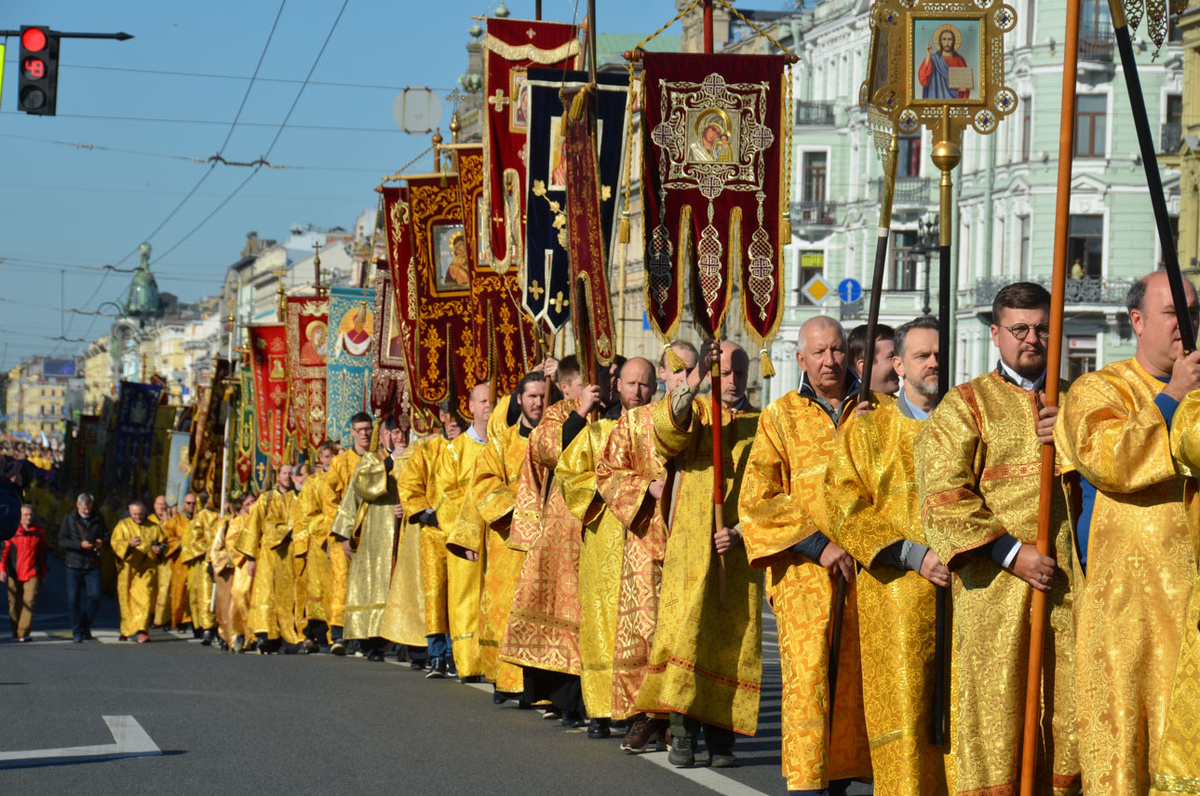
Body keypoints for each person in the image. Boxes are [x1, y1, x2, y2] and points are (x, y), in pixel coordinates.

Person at [916, 282, 1080, 794]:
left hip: (1072, 586)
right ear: (995, 334)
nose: (1032, 339)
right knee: (996, 709)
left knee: (1071, 706)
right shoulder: (966, 404)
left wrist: (1075, 437)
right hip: (996, 589)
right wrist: (1012, 552)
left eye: (1042, 329)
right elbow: (942, 492)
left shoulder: (1079, 400)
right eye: (1020, 329)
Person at [1056, 272, 1200, 793]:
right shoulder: (1101, 388)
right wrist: (1173, 397)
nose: (1187, 326)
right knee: (1125, 750)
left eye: (1192, 312)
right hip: (1126, 612)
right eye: (1172, 313)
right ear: (1137, 321)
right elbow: (1110, 459)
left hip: (1191, 607)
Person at [739, 317, 871, 793]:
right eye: (818, 353)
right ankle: (810, 786)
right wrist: (819, 544)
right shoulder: (781, 416)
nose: (829, 361)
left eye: (836, 350)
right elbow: (758, 497)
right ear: (800, 359)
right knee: (809, 688)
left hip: (870, 576)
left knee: (860, 688)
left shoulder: (874, 410)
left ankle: (845, 779)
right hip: (805, 581)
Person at [826, 315, 953, 794]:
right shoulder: (868, 430)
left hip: (968, 595)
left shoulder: (968, 421)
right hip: (897, 597)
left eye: (939, 354)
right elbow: (842, 503)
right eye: (922, 355)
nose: (933, 363)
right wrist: (910, 554)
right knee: (905, 724)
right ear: (898, 364)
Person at [637, 340, 761, 768]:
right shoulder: (698, 412)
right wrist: (694, 379)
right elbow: (667, 429)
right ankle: (684, 732)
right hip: (691, 545)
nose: (732, 382)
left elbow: (776, 490)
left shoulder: (762, 423)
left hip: (737, 551)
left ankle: (722, 740)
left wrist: (743, 532)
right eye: (724, 373)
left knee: (729, 642)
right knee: (686, 633)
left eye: (739, 374)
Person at [596, 340, 698, 752]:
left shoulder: (703, 418)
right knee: (646, 630)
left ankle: (681, 717)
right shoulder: (633, 423)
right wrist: (647, 487)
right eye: (675, 370)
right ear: (664, 373)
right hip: (646, 537)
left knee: (686, 630)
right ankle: (647, 714)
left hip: (692, 541)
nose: (681, 379)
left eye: (689, 371)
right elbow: (607, 473)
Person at [502, 355, 607, 726]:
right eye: (586, 383)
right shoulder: (557, 414)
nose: (596, 389)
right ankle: (568, 701)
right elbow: (547, 450)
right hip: (564, 530)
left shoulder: (611, 413)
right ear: (566, 387)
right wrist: (581, 412)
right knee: (566, 616)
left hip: (605, 524)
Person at [559, 357, 657, 738]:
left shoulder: (662, 433)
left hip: (647, 539)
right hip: (604, 540)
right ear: (618, 387)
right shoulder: (597, 431)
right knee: (600, 624)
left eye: (645, 384)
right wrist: (610, 490)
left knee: (642, 627)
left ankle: (640, 712)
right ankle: (599, 710)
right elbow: (570, 475)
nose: (637, 392)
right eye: (631, 384)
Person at [448, 372, 546, 698]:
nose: (537, 402)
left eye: (543, 396)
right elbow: (484, 484)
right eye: (531, 396)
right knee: (504, 608)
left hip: (547, 539)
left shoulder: (557, 437)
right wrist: (519, 510)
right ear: (519, 400)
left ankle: (539, 683)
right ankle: (508, 680)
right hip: (508, 540)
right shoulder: (502, 441)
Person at [331, 417, 408, 661]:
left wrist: (407, 506)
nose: (397, 437)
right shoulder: (372, 459)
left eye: (401, 432)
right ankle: (372, 640)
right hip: (376, 532)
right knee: (375, 585)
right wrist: (345, 534)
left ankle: (401, 640)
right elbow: (363, 487)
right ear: (383, 435)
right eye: (392, 432)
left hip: (404, 528)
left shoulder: (413, 456)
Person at [430, 383, 493, 678]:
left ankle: (495, 661)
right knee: (466, 596)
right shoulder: (454, 451)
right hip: (466, 536)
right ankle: (468, 662)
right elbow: (444, 495)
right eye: (482, 401)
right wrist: (468, 529)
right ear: (470, 407)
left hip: (497, 533)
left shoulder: (501, 444)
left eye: (492, 400)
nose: (488, 406)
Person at [398, 401, 463, 674]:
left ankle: (458, 654)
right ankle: (437, 653)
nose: (453, 423)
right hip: (435, 534)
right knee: (436, 593)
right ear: (442, 417)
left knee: (461, 593)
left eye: (460, 418)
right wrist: (425, 513)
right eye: (449, 417)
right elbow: (409, 483)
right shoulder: (427, 449)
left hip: (464, 532)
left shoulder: (473, 448)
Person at [321, 412, 374, 654]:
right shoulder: (340, 463)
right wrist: (343, 532)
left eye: (368, 429)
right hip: (344, 532)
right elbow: (328, 498)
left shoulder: (377, 459)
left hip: (371, 532)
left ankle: (362, 636)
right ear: (352, 432)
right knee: (342, 581)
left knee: (365, 584)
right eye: (360, 429)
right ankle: (339, 633)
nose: (364, 433)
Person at [238, 465, 301, 654]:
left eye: (291, 473)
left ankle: (287, 636)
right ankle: (265, 636)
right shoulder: (266, 498)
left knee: (288, 595)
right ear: (277, 475)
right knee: (265, 594)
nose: (288, 476)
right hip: (267, 554)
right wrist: (251, 558)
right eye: (284, 473)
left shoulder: (298, 498)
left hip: (290, 554)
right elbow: (254, 527)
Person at [110, 500, 167, 644]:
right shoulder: (123, 526)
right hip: (128, 569)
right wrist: (128, 546)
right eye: (134, 514)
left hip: (146, 569)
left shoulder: (154, 528)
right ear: (130, 513)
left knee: (145, 598)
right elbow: (115, 543)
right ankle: (127, 629)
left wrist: (158, 550)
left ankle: (142, 630)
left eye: (140, 514)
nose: (138, 517)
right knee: (126, 600)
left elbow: (163, 543)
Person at [297, 441, 336, 649]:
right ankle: (319, 634)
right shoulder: (313, 482)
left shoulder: (345, 477)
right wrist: (331, 525)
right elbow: (308, 514)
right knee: (319, 588)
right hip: (321, 543)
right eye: (327, 456)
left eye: (334, 456)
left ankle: (340, 633)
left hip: (344, 539)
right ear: (321, 458)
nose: (331, 460)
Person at [59, 493, 108, 643]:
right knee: (73, 599)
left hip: (92, 563)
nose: (87, 511)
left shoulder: (98, 518)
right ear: (78, 505)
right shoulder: (69, 519)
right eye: (84, 508)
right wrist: (79, 545)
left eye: (89, 508)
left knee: (95, 596)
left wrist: (101, 542)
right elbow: (62, 540)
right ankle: (76, 630)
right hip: (74, 563)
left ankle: (85, 625)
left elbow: (107, 535)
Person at [211, 494, 256, 651]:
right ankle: (241, 634)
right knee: (240, 596)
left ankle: (257, 634)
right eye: (248, 503)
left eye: (253, 501)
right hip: (244, 567)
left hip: (262, 565)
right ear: (242, 507)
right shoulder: (236, 522)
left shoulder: (262, 518)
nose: (252, 505)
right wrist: (248, 554)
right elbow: (231, 544)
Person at [2, 504, 48, 642]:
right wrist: (2, 569)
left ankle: (23, 632)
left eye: (30, 514)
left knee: (30, 600)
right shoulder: (12, 531)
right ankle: (16, 630)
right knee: (13, 603)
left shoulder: (38, 531)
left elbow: (42, 554)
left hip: (32, 571)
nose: (28, 517)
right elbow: (4, 552)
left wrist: (43, 573)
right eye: (25, 515)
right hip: (14, 572)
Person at [181, 493, 217, 644]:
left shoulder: (222, 517)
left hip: (219, 559)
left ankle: (213, 626)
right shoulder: (199, 519)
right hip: (202, 561)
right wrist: (211, 550)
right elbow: (195, 541)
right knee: (201, 594)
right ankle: (203, 626)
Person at [164, 493, 196, 633]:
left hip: (196, 561)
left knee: (196, 591)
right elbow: (168, 538)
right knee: (180, 591)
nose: (191, 506)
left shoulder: (201, 519)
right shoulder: (175, 521)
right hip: (181, 562)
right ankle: (180, 620)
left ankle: (196, 622)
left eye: (194, 503)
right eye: (188, 503)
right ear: (183, 504)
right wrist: (180, 545)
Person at [918, 26, 970, 99]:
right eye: (944, 39)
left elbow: (966, 83)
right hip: (936, 99)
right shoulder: (933, 59)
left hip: (954, 100)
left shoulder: (959, 59)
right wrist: (928, 56)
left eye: (950, 39)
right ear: (940, 41)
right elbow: (923, 80)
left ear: (953, 41)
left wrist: (963, 88)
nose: (947, 42)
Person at [847, 322, 899, 395]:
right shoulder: (851, 405)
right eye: (891, 357)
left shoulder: (902, 405)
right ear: (864, 367)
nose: (899, 363)